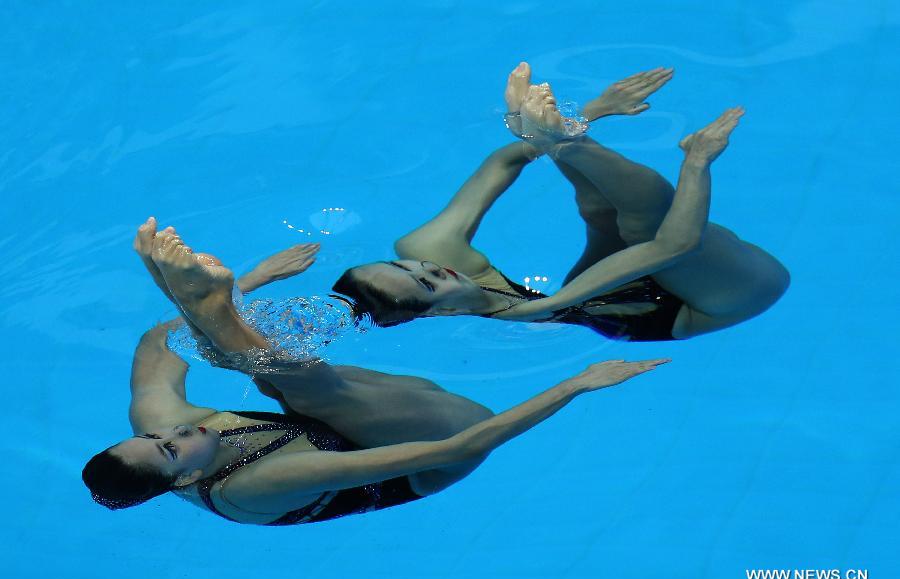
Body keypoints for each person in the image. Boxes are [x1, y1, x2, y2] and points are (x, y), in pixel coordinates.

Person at [82, 219, 667, 525]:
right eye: (170, 449)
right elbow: (461, 446)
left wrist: (256, 279)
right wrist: (575, 384)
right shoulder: (258, 485)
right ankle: (215, 310)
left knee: (285, 372)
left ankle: (213, 308)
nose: (179, 429)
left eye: (156, 433)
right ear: (185, 479)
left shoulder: (166, 429)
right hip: (437, 453)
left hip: (332, 425)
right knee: (312, 382)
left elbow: (156, 344)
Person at [332, 63, 790, 341]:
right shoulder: (529, 310)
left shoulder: (425, 248)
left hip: (628, 282)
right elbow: (676, 245)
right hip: (719, 301)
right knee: (644, 227)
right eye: (427, 284)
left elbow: (501, 163)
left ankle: (561, 137)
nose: (430, 268)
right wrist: (697, 163)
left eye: (405, 265)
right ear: (444, 312)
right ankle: (564, 140)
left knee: (598, 209)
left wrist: (591, 111)